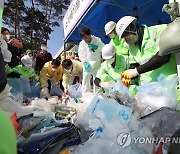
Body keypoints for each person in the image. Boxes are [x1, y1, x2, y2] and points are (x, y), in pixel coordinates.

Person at [115, 16, 177, 87]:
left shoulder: (158, 31)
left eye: (126, 36)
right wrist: (128, 75)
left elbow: (163, 57)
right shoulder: (132, 47)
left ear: (132, 28)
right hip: (150, 88)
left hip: (170, 82)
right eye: (123, 38)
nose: (125, 40)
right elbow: (135, 64)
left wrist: (136, 71)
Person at [78, 27, 104, 93]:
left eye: (86, 38)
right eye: (84, 39)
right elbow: (80, 54)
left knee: (97, 78)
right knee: (86, 78)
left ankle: (98, 94)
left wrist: (97, 47)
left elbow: (103, 48)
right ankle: (85, 94)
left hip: (96, 63)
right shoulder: (82, 44)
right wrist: (84, 62)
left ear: (89, 35)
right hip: (87, 64)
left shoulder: (97, 40)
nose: (85, 40)